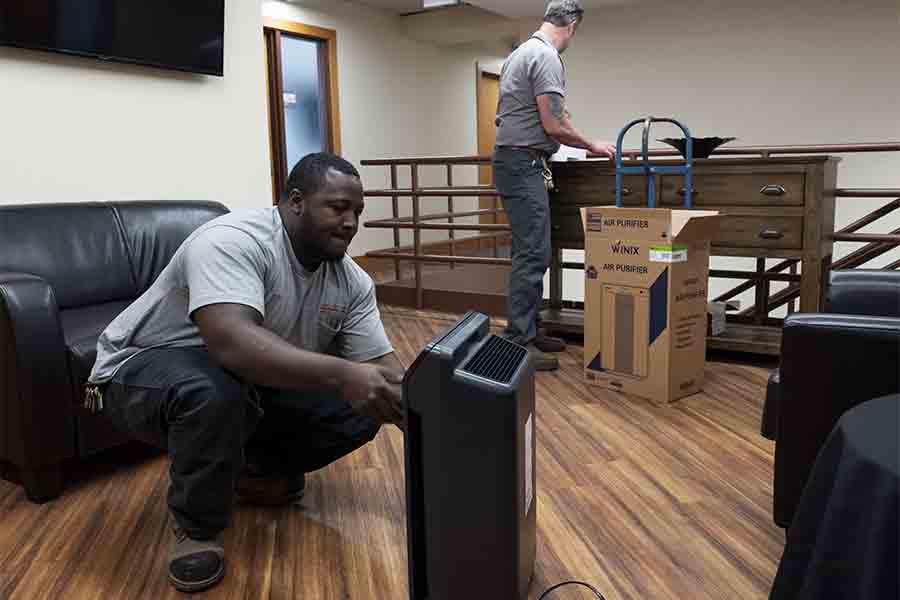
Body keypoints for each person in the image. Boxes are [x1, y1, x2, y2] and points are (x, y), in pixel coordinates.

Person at [85, 153, 405, 593]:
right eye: (337, 207)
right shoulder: (233, 240)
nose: (350, 222)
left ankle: (249, 472)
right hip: (140, 370)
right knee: (212, 388)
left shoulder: (351, 281)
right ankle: (197, 528)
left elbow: (382, 371)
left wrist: (426, 406)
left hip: (240, 381)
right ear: (295, 201)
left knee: (366, 405)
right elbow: (231, 343)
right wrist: (344, 375)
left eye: (357, 212)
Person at [493, 0, 617, 371]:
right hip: (522, 162)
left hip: (519, 160)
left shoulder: (522, 52)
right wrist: (592, 143)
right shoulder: (546, 56)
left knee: (533, 251)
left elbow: (546, 117)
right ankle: (518, 342)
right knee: (533, 253)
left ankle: (529, 330)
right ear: (573, 26)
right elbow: (554, 125)